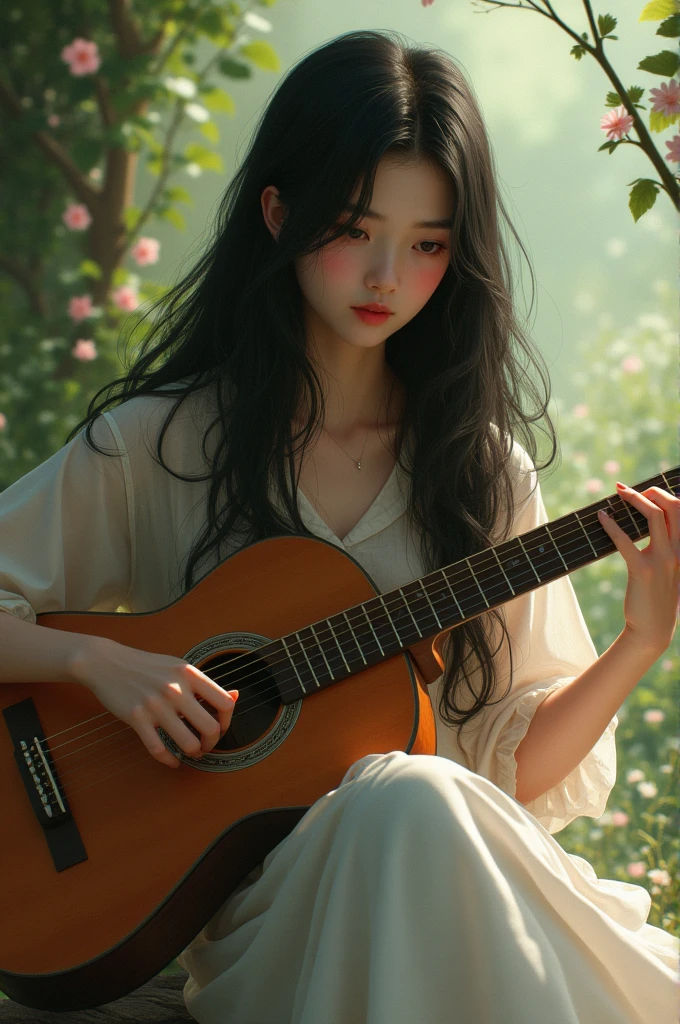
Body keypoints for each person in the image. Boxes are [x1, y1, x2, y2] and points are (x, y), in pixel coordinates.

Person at [0, 28, 678, 1024]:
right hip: (273, 926)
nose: (385, 275)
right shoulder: (157, 444)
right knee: (408, 794)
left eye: (427, 244)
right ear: (280, 214)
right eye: (355, 227)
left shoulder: (480, 470)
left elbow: (505, 770)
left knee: (417, 796)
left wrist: (639, 639)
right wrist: (100, 662)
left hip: (433, 863)